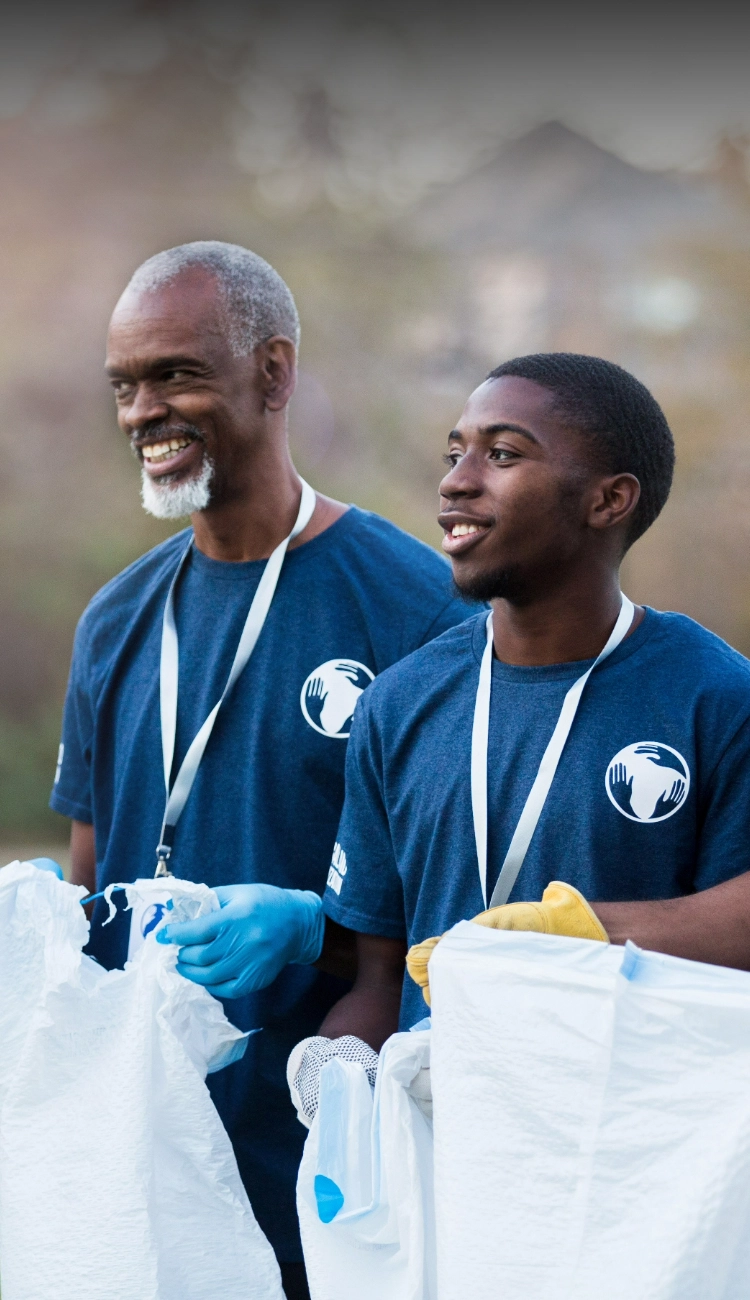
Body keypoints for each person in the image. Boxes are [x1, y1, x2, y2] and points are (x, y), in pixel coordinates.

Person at [49, 241, 471, 1298]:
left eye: (177, 374)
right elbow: (83, 892)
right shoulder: (116, 621)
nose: (145, 410)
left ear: (273, 373)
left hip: (334, 1170)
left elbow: (467, 913)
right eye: (125, 386)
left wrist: (307, 927)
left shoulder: (421, 610)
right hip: (140, 1174)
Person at [313, 352, 750, 1061]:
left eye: (503, 454)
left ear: (608, 501)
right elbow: (379, 979)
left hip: (626, 1145)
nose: (456, 481)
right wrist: (341, 1076)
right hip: (440, 1142)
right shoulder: (398, 703)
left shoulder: (715, 698)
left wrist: (584, 932)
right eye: (456, 453)